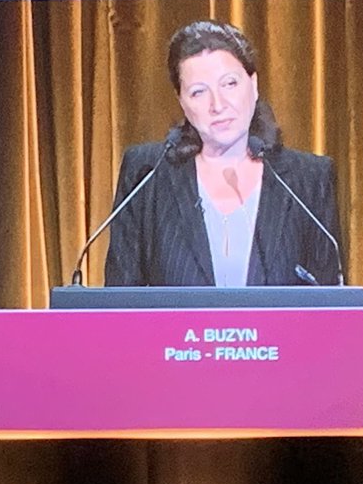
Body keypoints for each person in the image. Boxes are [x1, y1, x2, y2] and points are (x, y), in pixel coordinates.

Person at [104, 20, 343, 288]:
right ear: (182, 101)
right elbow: (120, 299)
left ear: (254, 85)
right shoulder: (146, 174)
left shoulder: (309, 180)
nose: (217, 105)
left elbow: (330, 299)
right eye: (198, 92)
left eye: (229, 84)